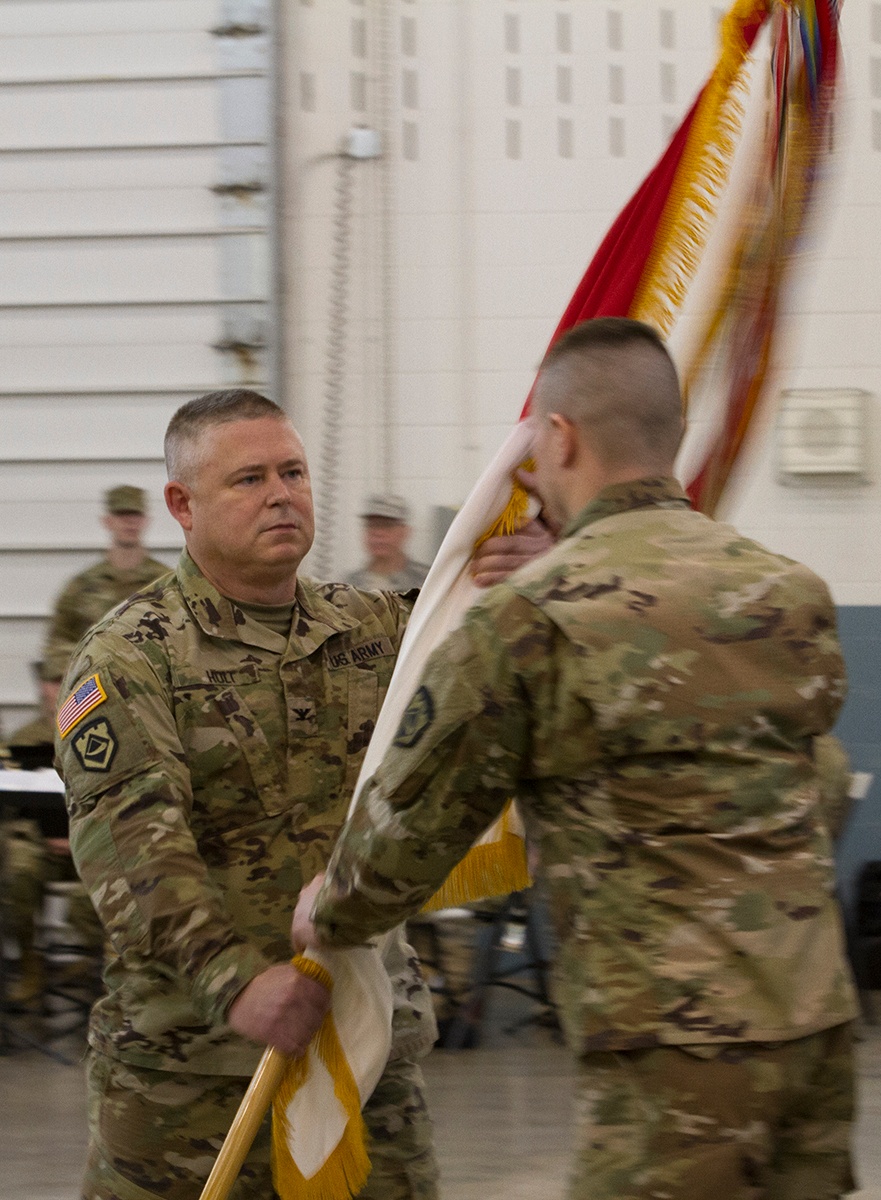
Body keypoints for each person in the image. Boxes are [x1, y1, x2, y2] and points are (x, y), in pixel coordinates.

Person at [294, 318, 860, 1200]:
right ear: (669, 434)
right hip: (814, 1022)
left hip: (671, 1044)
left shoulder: (532, 618)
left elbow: (415, 818)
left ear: (558, 437)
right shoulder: (784, 589)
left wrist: (330, 911)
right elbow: (820, 786)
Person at [54, 388, 549, 1200]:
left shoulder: (377, 628)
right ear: (181, 504)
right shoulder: (131, 657)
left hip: (362, 1053)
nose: (282, 494)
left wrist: (535, 576)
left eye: (294, 472)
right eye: (249, 479)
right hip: (191, 1080)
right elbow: (131, 846)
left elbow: (498, 675)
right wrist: (233, 982)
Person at [42, 484, 167, 708]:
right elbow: (58, 641)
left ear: (146, 521)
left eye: (135, 515)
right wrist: (59, 683)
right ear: (107, 521)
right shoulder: (82, 587)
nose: (129, 522)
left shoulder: (165, 584)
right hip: (94, 698)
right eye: (121, 515)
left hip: (153, 698)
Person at [344, 493, 430, 592]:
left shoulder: (426, 580)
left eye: (387, 525)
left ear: (406, 532)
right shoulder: (349, 586)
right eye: (372, 525)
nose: (378, 533)